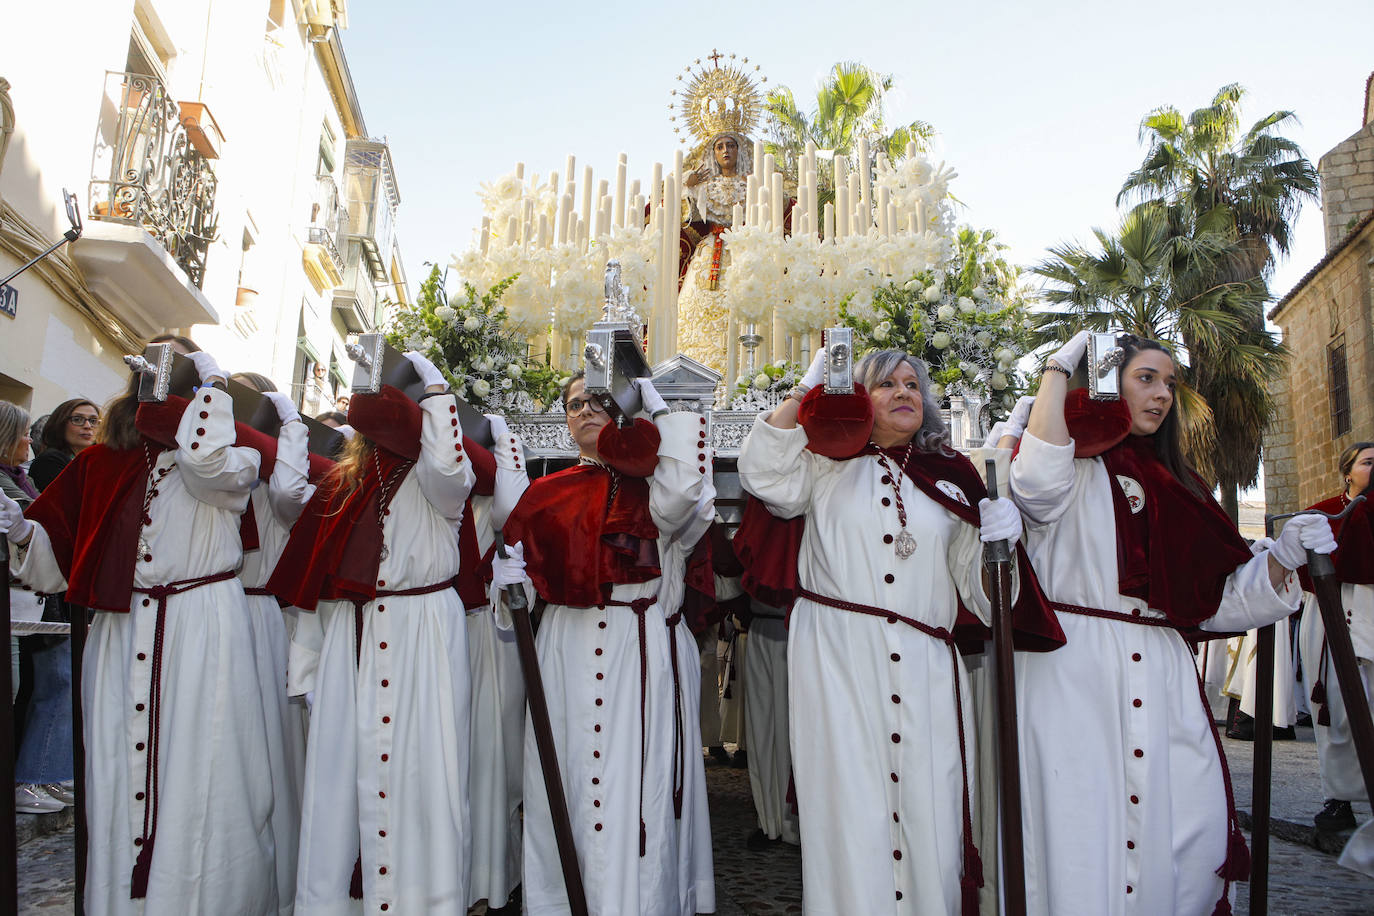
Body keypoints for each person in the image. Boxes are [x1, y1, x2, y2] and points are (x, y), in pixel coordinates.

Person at [1006, 330, 1335, 916]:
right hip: (1073, 672)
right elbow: (1034, 486)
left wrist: (1282, 558)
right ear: (1108, 382)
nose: (1161, 395)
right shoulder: (1064, 467)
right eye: (1146, 379)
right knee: (1080, 823)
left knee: (1184, 817)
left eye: (1170, 384)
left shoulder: (1180, 487)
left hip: (1162, 674)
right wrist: (1061, 368)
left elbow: (1218, 600)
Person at [737, 347, 1051, 916]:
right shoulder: (821, 467)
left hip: (927, 661)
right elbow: (762, 474)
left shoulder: (951, 478)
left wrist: (999, 547)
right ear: (858, 399)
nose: (905, 392)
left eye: (912, 384)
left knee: (929, 807)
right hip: (839, 661)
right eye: (885, 385)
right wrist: (805, 394)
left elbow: (986, 601)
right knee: (850, 811)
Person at [1, 348, 280, 913]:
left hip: (202, 629)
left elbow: (206, 464)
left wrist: (214, 381)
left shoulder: (230, 461)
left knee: (206, 775)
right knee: (114, 774)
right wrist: (22, 533)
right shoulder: (99, 463)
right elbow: (54, 563)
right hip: (122, 632)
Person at [493, 372, 715, 915]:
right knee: (564, 779)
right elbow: (513, 595)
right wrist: (506, 586)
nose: (586, 410)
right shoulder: (543, 495)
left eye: (599, 401)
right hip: (565, 647)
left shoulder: (659, 488)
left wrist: (655, 409)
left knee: (633, 789)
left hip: (635, 647)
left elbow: (688, 489)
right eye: (575, 404)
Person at [271, 351, 478, 915]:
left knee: (423, 779)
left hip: (423, 637)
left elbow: (448, 470)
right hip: (352, 639)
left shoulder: (445, 477)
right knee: (341, 777)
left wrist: (436, 392)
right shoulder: (344, 482)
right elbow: (319, 583)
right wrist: (308, 665)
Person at [231, 370, 315, 915]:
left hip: (265, 615)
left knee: (274, 750)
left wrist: (292, 431)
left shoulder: (281, 465)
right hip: (217, 610)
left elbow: (288, 498)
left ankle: (281, 885)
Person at [13, 398, 99, 816]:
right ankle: (35, 775)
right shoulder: (51, 463)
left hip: (63, 592)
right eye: (78, 419)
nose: (86, 426)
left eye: (93, 421)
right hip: (45, 592)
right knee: (55, 682)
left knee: (62, 682)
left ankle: (51, 771)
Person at [463, 413, 529, 914]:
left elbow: (512, 504)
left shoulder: (492, 493)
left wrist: (503, 437)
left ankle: (492, 872)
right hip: (448, 628)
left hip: (488, 633)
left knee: (494, 753)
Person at [1297, 441, 1374, 834]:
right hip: (1331, 615)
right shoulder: (1326, 512)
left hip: (1370, 611)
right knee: (1337, 715)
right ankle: (1339, 799)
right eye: (1368, 462)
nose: (1373, 468)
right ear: (1349, 471)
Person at [676, 131, 752, 375]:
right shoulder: (705, 187)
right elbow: (693, 219)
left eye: (730, 145)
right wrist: (690, 185)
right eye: (719, 147)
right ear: (714, 154)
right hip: (710, 253)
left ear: (739, 151)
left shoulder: (750, 184)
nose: (725, 151)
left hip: (742, 249)